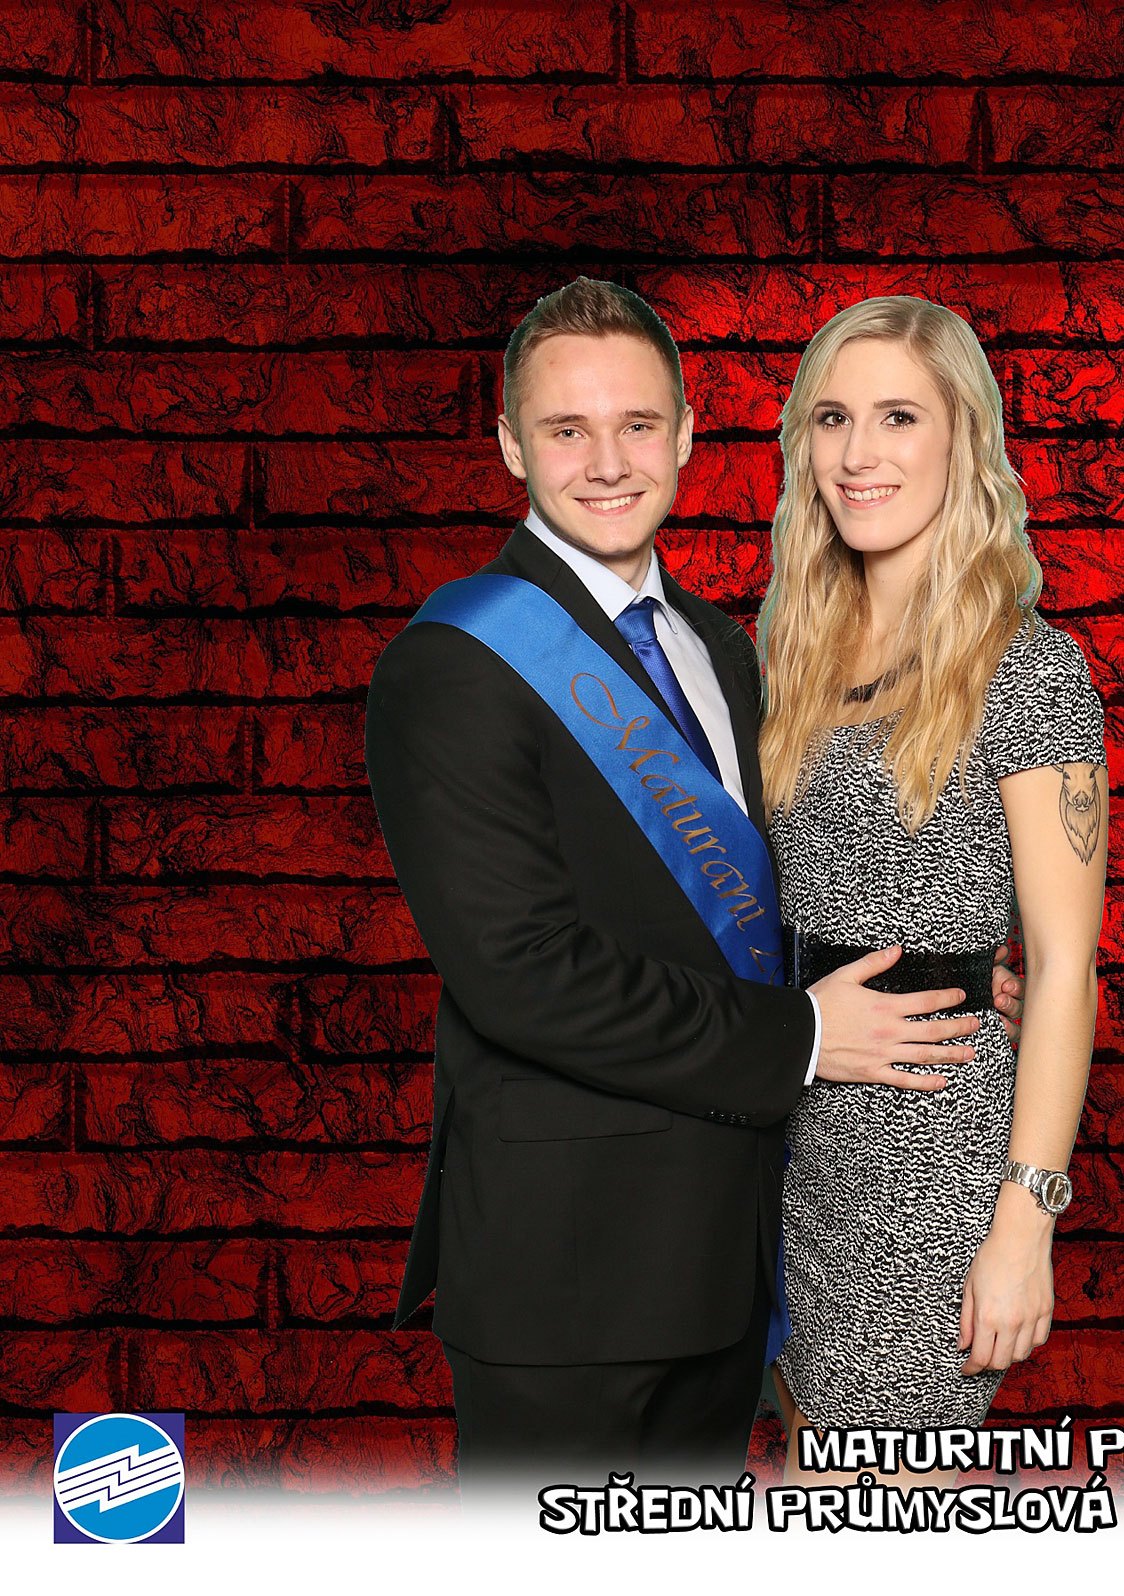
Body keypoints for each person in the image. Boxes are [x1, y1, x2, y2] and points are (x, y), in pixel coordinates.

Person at [363, 277, 1022, 1490]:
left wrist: (949, 976)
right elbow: (522, 975)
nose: (608, 463)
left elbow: (764, 902)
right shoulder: (455, 664)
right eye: (567, 430)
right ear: (510, 443)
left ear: (684, 436)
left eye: (637, 425)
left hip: (730, 1256)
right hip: (566, 1276)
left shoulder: (726, 647)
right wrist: (809, 1036)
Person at [758, 296, 1109, 1482]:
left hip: (930, 1164)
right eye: (833, 419)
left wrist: (1025, 1224)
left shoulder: (1029, 670)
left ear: (964, 438)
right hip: (790, 1144)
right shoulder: (789, 651)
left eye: (898, 417)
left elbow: (1062, 968)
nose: (858, 453)